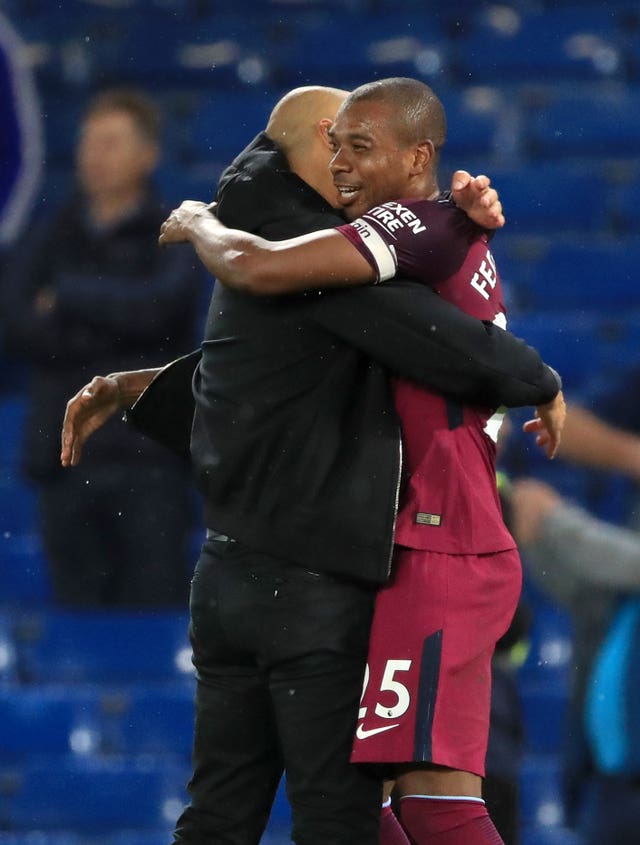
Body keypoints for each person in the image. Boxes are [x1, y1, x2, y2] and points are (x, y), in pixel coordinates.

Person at [63, 85, 562, 845]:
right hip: (337, 576)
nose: (343, 161)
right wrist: (536, 373)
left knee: (249, 814)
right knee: (364, 815)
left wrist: (200, 222)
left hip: (280, 571)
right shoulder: (345, 265)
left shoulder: (310, 257)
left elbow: (253, 333)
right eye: (338, 145)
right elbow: (426, 343)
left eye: (359, 145)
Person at [1, 87, 204, 607]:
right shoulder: (51, 236)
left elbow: (162, 311)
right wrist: (119, 324)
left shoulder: (177, 231)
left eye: (111, 143)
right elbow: (18, 324)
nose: (95, 155)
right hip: (66, 460)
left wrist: (68, 297)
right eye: (89, 142)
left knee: (154, 613)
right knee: (75, 624)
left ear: (148, 154)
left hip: (150, 461)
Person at [509, 477, 640, 845]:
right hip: (606, 788)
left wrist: (552, 517)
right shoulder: (615, 601)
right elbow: (568, 581)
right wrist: (533, 534)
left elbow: (626, 560)